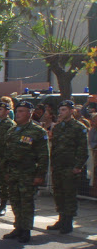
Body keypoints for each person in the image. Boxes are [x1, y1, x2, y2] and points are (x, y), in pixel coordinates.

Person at [3, 101, 50, 243]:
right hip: (13, 172)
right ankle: (18, 227)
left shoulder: (38, 131)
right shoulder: (12, 130)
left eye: (22, 111)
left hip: (28, 173)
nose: (18, 114)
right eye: (17, 111)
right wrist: (5, 170)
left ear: (30, 113)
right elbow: (7, 152)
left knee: (27, 202)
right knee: (15, 201)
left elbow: (43, 155)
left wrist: (40, 175)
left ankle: (26, 230)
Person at [47, 100, 89, 234]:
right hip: (58, 165)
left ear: (71, 111)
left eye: (64, 109)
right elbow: (54, 147)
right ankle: (61, 218)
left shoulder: (78, 127)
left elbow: (83, 149)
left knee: (69, 194)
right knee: (58, 194)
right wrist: (53, 164)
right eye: (60, 109)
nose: (61, 112)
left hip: (70, 166)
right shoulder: (58, 127)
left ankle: (68, 221)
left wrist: (78, 166)